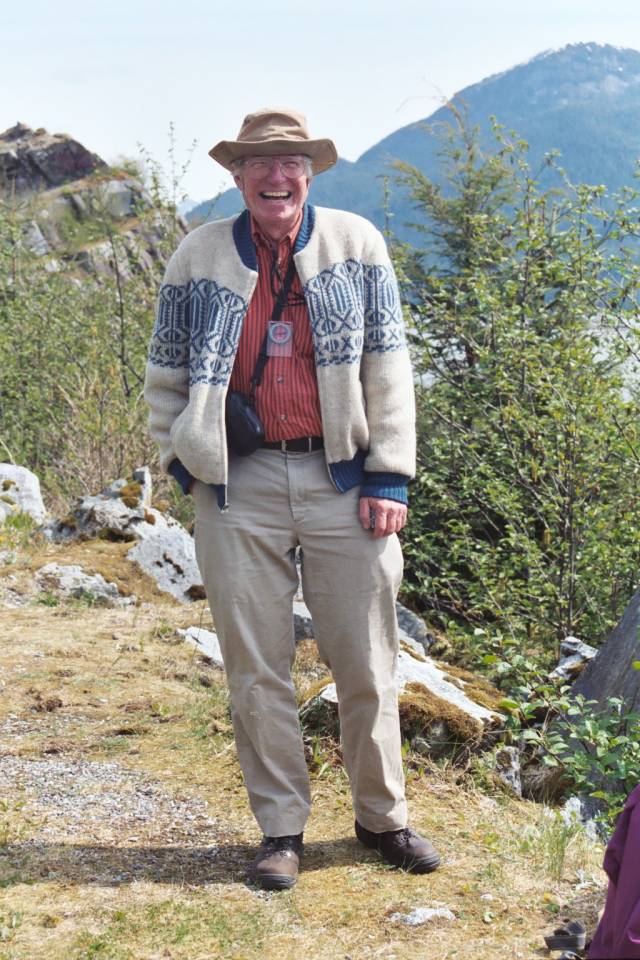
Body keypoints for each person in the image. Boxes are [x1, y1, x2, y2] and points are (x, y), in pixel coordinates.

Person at [144, 107, 440, 890]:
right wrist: (189, 463)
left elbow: (390, 366)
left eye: (293, 164)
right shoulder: (198, 254)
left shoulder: (357, 243)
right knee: (256, 667)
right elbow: (165, 373)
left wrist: (389, 475)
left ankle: (383, 819)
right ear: (236, 175)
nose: (278, 177)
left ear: (310, 172)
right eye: (261, 164)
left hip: (344, 480)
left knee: (368, 660)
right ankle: (281, 830)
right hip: (238, 486)